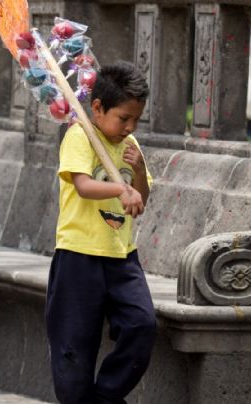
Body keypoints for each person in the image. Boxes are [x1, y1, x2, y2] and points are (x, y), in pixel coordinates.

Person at [46, 61, 157, 404]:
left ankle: (106, 396)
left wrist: (137, 175)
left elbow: (143, 196)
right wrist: (120, 190)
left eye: (136, 119)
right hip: (79, 256)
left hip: (122, 256)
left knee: (142, 324)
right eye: (124, 118)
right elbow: (83, 185)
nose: (130, 126)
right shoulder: (79, 134)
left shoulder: (130, 144)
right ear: (97, 107)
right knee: (73, 349)